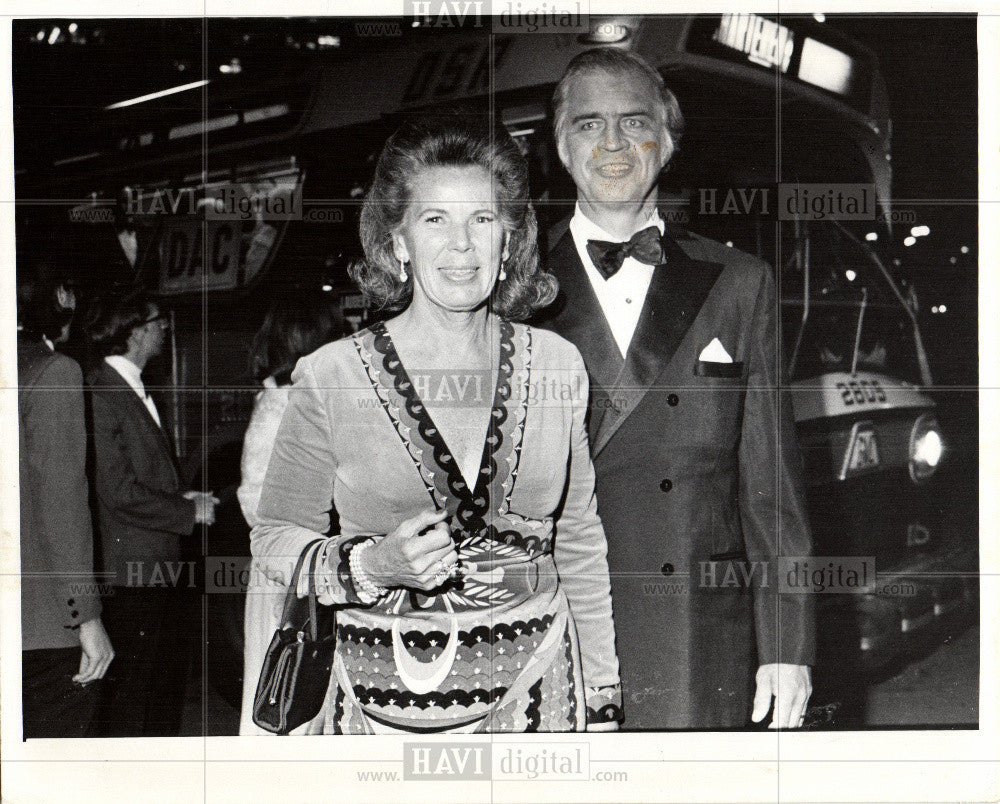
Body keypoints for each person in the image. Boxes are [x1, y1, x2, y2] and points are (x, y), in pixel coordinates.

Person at [251, 114, 621, 733]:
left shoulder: (558, 365)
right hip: (382, 706)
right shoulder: (331, 375)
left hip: (539, 696)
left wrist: (603, 694)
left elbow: (578, 537)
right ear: (398, 243)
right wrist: (369, 566)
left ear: (509, 242)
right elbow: (274, 539)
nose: (461, 245)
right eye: (434, 220)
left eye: (482, 220)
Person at [537, 48, 815, 729]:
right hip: (553, 631)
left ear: (668, 140)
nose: (612, 143)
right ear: (561, 145)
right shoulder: (511, 288)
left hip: (698, 634)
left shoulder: (739, 282)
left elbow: (772, 486)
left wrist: (787, 643)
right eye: (588, 124)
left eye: (634, 122)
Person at [84, 289, 217, 736]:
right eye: (159, 321)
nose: (165, 328)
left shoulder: (132, 386)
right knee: (133, 693)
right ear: (136, 331)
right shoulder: (101, 392)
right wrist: (187, 512)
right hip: (130, 571)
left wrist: (184, 496)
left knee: (159, 685)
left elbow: (140, 473)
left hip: (154, 562)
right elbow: (116, 489)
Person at [237, 296, 344, 735]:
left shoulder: (296, 401)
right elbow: (257, 502)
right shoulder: (282, 406)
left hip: (309, 574)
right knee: (286, 710)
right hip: (292, 581)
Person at [17, 270, 114, 738]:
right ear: (57, 297)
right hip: (39, 625)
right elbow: (62, 506)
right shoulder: (52, 371)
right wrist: (87, 617)